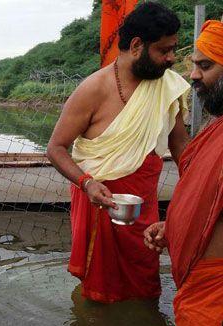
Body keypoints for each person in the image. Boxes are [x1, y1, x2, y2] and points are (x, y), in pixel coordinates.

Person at [46, 2, 190, 303]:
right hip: (99, 203)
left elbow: (179, 144)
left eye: (173, 49)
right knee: (100, 291)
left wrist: (197, 188)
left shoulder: (168, 86)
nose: (171, 58)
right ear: (137, 45)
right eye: (164, 50)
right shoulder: (93, 89)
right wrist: (86, 183)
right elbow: (55, 148)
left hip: (142, 207)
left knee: (146, 279)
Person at [144, 20, 223, 326]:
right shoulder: (216, 129)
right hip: (198, 292)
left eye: (205, 66)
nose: (192, 76)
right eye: (193, 64)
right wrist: (173, 228)